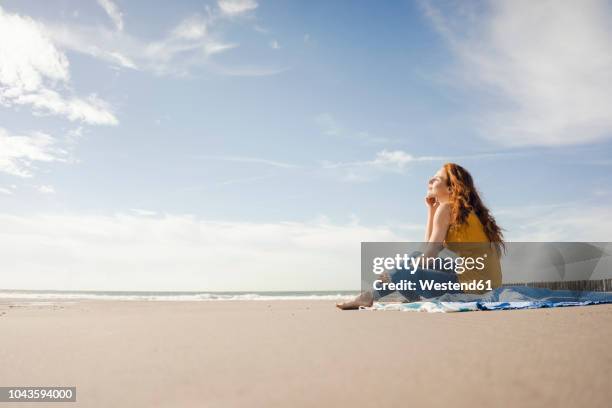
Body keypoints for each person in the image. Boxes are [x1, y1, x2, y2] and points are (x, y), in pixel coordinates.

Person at [336, 163, 505, 310]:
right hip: (486, 280)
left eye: (436, 179)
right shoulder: (461, 210)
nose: (430, 181)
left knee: (405, 271)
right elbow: (427, 248)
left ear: (450, 188)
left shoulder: (447, 208)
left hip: (474, 287)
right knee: (412, 261)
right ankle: (394, 295)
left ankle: (371, 295)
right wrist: (431, 211)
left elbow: (429, 255)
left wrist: (394, 274)